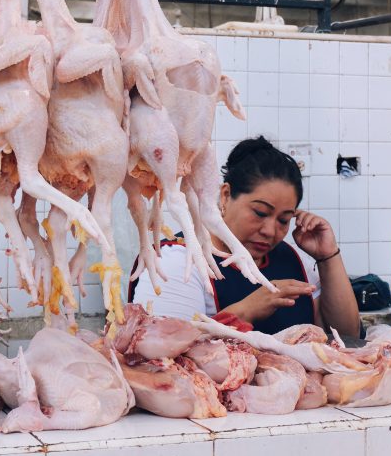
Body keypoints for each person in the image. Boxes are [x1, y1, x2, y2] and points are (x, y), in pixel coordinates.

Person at [132, 136, 360, 337]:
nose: (270, 231)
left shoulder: (296, 260)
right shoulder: (177, 261)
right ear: (225, 195)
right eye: (260, 212)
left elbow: (348, 336)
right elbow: (160, 353)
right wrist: (245, 311)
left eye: (284, 220)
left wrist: (328, 256)